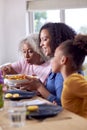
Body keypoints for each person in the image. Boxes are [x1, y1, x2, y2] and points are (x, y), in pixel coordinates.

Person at [17, 22, 77, 105]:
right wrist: (37, 85)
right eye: (41, 40)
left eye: (45, 39)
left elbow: (62, 104)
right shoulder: (56, 65)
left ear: (57, 41)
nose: (41, 44)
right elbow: (53, 93)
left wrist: (39, 87)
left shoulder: (64, 69)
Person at [52, 34, 87, 118]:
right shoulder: (71, 80)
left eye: (54, 57)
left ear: (63, 60)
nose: (52, 61)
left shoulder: (72, 81)